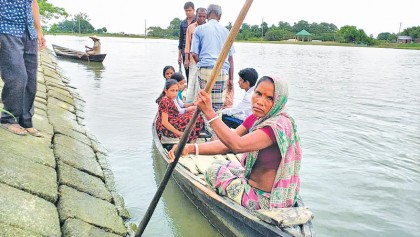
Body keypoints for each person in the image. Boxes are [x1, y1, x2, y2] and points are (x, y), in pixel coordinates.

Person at [169, 76, 302, 210]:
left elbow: (237, 145)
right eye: (258, 94)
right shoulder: (257, 118)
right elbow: (226, 142)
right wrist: (190, 148)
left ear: (279, 101)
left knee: (213, 171)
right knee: (222, 163)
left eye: (270, 98)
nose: (261, 102)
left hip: (265, 200)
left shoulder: (276, 126)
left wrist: (209, 112)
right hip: (254, 184)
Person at [0, 0, 46, 137]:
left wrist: (39, 31)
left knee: (31, 81)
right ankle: (8, 118)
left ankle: (25, 119)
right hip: (6, 30)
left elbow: (33, 3)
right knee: (17, 77)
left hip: (29, 32)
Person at [190, 4, 234, 112]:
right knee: (217, 107)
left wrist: (201, 65)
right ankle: (214, 126)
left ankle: (205, 124)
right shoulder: (227, 32)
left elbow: (194, 54)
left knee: (204, 102)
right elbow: (230, 59)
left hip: (205, 69)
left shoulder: (199, 29)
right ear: (219, 16)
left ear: (208, 14)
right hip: (222, 71)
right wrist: (231, 79)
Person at [184, 7, 207, 103]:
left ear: (206, 17)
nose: (201, 18)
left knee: (201, 83)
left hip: (204, 60)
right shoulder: (191, 27)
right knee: (192, 81)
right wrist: (186, 59)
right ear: (196, 16)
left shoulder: (208, 28)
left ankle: (198, 103)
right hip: (193, 59)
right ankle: (189, 103)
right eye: (199, 16)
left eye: (203, 16)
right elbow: (188, 44)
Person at [178, 2, 196, 82]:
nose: (188, 12)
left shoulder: (198, 20)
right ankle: (189, 89)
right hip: (184, 51)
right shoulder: (183, 23)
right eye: (186, 11)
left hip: (195, 52)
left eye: (189, 10)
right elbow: (181, 41)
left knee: (195, 72)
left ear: (193, 10)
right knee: (187, 72)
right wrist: (179, 56)